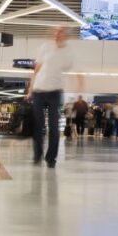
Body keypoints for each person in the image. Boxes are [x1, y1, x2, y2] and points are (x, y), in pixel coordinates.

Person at [27, 26, 74, 168]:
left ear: (65, 36)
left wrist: (61, 48)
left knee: (54, 127)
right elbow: (36, 70)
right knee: (38, 125)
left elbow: (67, 66)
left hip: (55, 92)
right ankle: (37, 155)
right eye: (56, 31)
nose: (57, 34)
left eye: (60, 32)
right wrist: (30, 89)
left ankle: (51, 158)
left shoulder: (67, 52)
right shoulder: (45, 47)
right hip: (39, 90)